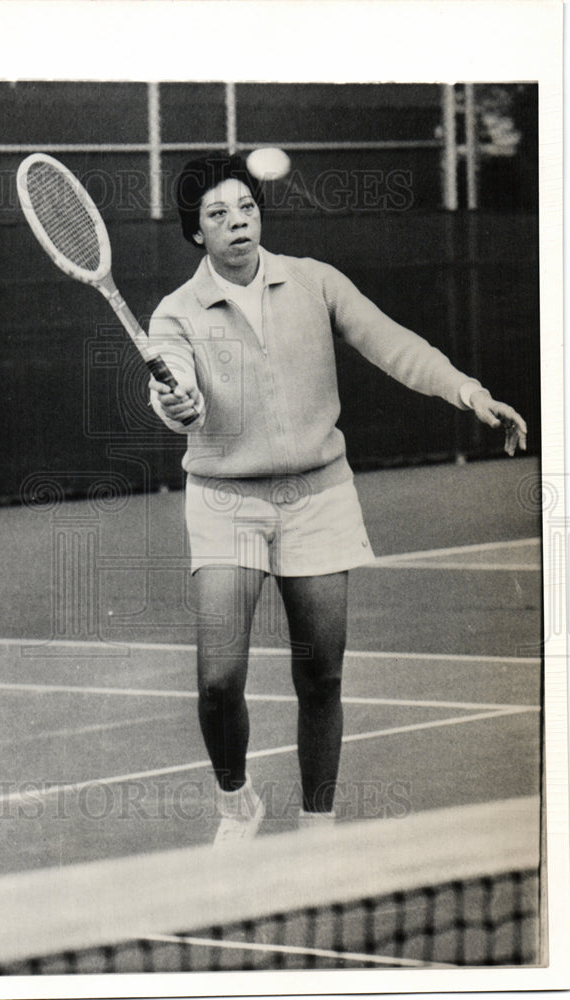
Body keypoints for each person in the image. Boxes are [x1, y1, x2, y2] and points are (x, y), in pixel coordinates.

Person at [147, 154, 527, 847]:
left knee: (320, 673)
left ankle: (318, 825)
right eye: (217, 215)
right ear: (194, 233)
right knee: (217, 679)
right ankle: (236, 801)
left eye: (246, 208)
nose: (236, 222)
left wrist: (469, 392)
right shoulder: (175, 312)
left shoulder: (315, 281)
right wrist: (180, 400)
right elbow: (173, 391)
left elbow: (391, 344)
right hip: (226, 501)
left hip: (317, 497)